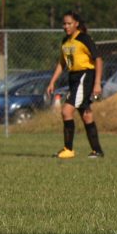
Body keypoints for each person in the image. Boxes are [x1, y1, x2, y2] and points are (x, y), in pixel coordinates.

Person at [45, 11, 104, 159]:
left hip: (85, 75)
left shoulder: (84, 38)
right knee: (86, 114)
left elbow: (98, 59)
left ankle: (68, 149)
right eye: (64, 23)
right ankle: (97, 151)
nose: (66, 26)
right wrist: (52, 82)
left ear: (76, 23)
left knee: (66, 111)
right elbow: (62, 63)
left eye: (69, 23)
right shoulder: (65, 41)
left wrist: (97, 83)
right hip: (73, 77)